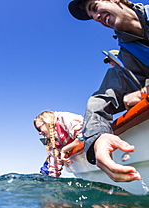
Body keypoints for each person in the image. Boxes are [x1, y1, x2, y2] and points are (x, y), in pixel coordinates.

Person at [68, 0, 149, 182]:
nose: (96, 17)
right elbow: (100, 101)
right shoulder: (128, 57)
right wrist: (98, 138)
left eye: (95, 7)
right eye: (92, 16)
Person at [34, 111, 83, 177]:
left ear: (47, 122)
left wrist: (64, 150)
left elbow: (84, 136)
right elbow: (54, 167)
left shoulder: (64, 119)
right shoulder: (54, 142)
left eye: (39, 128)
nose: (39, 133)